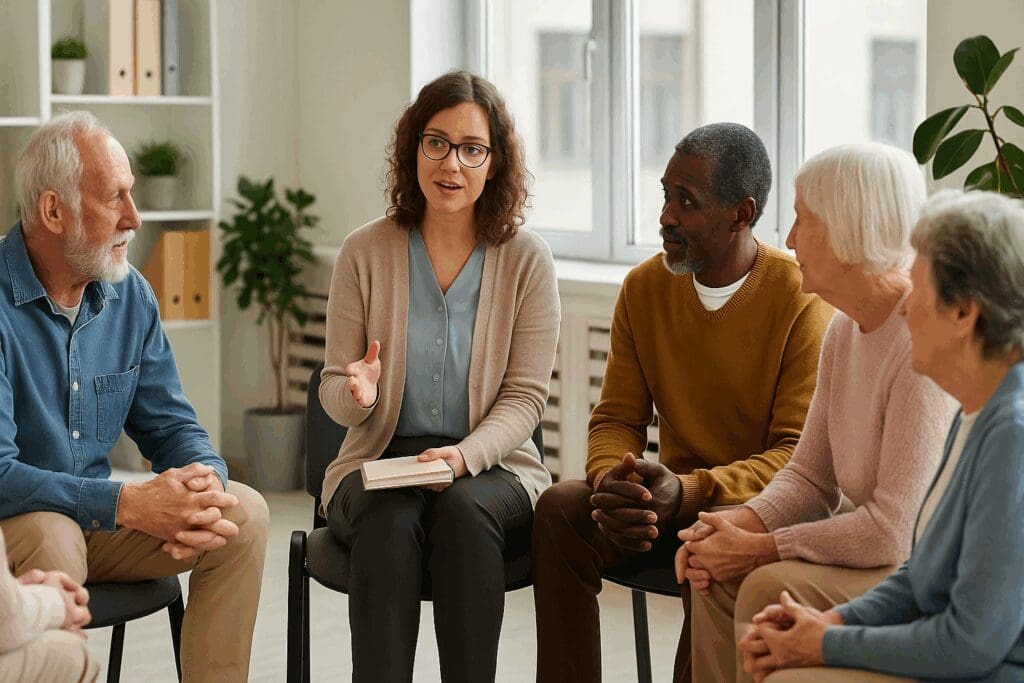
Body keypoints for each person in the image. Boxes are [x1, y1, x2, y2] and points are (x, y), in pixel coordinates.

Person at [532, 122, 834, 683]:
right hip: (660, 503)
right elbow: (617, 418)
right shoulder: (644, 288)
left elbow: (795, 458)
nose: (666, 216)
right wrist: (614, 485)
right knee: (558, 510)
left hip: (744, 510)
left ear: (740, 214)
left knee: (712, 541)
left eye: (686, 201)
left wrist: (690, 491)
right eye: (666, 195)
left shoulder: (800, 298)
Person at [0, 111, 269, 683]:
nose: (135, 216)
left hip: (98, 524)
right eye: (114, 197)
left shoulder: (130, 297)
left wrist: (204, 486)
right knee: (54, 532)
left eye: (133, 194)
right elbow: (0, 474)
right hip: (15, 531)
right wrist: (128, 504)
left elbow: (173, 427)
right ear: (54, 211)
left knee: (242, 515)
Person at [680, 143, 958, 683]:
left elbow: (895, 533)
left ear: (847, 231)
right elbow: (810, 476)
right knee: (712, 570)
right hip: (876, 551)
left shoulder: (920, 343)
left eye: (802, 221)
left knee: (760, 581)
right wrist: (729, 527)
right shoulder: (843, 329)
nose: (786, 240)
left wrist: (760, 548)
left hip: (918, 569)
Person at [318, 70, 559, 683]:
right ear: (413, 148)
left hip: (490, 466)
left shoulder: (528, 260)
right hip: (378, 461)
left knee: (463, 513)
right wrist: (357, 394)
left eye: (471, 148)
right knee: (386, 520)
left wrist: (461, 459)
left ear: (495, 161)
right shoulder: (362, 252)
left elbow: (526, 398)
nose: (452, 163)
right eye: (436, 142)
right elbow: (331, 389)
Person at [738, 189, 1024, 682]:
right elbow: (920, 575)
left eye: (920, 290)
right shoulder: (976, 412)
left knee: (789, 674)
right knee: (774, 650)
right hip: (951, 654)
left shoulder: (1011, 437)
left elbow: (971, 641)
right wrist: (830, 621)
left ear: (964, 314)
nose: (906, 310)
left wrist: (825, 643)